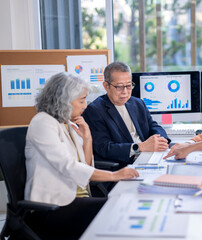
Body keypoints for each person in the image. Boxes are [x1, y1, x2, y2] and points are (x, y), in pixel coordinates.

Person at [24, 73, 139, 239]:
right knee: (117, 209)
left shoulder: (67, 124)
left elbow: (86, 170)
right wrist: (114, 175)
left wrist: (87, 138)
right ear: (64, 100)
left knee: (121, 206)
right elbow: (69, 166)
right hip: (52, 207)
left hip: (76, 198)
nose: (85, 106)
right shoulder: (43, 122)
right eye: (81, 100)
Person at [83, 62, 170, 167]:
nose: (125, 92)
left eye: (129, 86)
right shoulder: (94, 110)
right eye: (119, 87)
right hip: (125, 165)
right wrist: (139, 147)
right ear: (106, 86)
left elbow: (153, 125)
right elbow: (104, 147)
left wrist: (161, 140)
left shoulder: (137, 103)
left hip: (148, 156)